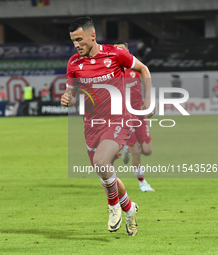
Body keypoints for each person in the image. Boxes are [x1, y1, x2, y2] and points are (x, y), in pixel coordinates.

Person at [61, 17, 154, 236]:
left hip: (118, 119)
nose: (76, 44)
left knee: (102, 162)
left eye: (79, 39)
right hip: (91, 125)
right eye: (73, 41)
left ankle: (113, 206)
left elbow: (143, 69)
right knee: (105, 173)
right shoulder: (74, 63)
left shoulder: (115, 54)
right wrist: (67, 99)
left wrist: (149, 100)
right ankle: (129, 208)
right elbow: (72, 95)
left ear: (92, 36)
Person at [113, 40, 154, 192]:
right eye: (117, 50)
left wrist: (149, 100)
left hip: (139, 114)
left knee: (147, 150)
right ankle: (142, 182)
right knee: (137, 150)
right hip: (124, 117)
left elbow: (146, 79)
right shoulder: (111, 73)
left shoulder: (135, 67)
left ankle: (127, 149)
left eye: (123, 50)